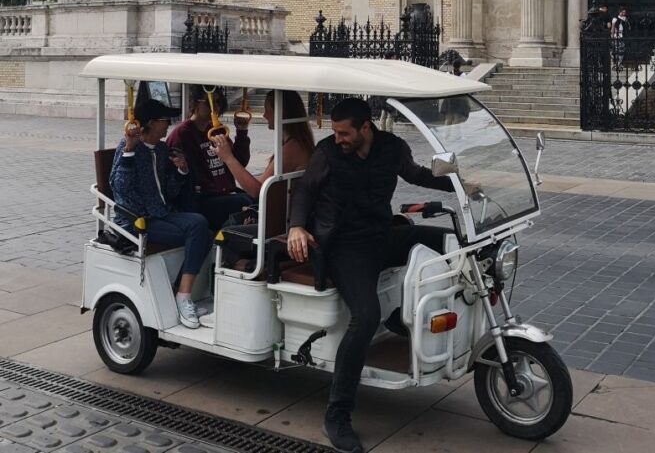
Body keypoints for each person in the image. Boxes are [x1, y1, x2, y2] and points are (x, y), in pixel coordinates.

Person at [286, 98, 454, 453]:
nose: (338, 138)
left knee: (451, 243)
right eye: (335, 132)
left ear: (366, 128)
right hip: (344, 247)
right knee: (365, 317)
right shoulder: (327, 153)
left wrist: (459, 185)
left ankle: (402, 318)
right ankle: (338, 415)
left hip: (381, 235)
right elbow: (305, 190)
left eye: (344, 132)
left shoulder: (392, 148)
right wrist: (297, 227)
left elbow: (416, 174)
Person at [110, 99, 213, 329]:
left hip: (161, 214)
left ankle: (180, 293)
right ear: (151, 123)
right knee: (198, 226)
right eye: (165, 121)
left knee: (205, 233)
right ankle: (183, 296)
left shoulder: (161, 148)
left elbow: (169, 190)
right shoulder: (128, 148)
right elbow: (120, 188)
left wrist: (181, 169)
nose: (169, 126)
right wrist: (128, 150)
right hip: (137, 220)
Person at [166, 85, 252, 231]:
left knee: (255, 200)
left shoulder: (216, 130)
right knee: (243, 202)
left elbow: (239, 162)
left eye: (218, 102)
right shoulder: (182, 135)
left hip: (223, 194)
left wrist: (242, 132)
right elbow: (191, 176)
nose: (215, 108)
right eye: (209, 103)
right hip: (200, 199)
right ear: (194, 104)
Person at [210, 90, 314, 198]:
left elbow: (258, 190)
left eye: (267, 110)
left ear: (280, 112)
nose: (264, 115)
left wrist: (228, 158)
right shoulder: (296, 143)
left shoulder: (292, 148)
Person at [439, 58, 471, 126]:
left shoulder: (448, 74)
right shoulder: (463, 75)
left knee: (448, 118)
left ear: (452, 65)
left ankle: (446, 135)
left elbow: (444, 84)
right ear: (460, 66)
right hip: (458, 99)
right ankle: (455, 134)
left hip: (449, 99)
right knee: (457, 119)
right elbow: (465, 86)